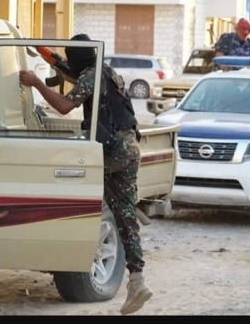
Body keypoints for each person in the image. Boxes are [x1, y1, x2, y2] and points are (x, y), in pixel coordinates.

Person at [18, 34, 152, 315]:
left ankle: (74, 249)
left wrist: (37, 83)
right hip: (129, 147)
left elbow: (65, 106)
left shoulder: (91, 75)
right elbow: (75, 75)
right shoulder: (105, 70)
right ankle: (137, 280)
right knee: (125, 216)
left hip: (113, 151)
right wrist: (49, 56)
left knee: (70, 188)